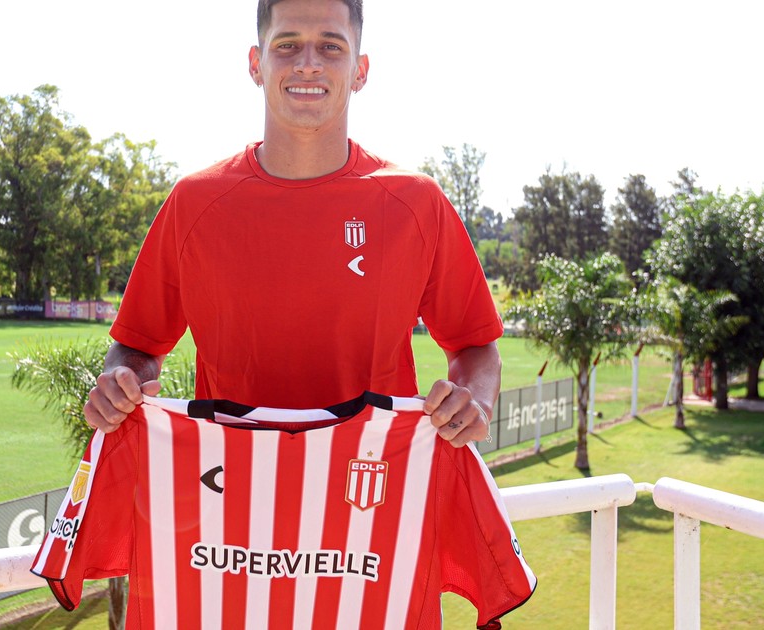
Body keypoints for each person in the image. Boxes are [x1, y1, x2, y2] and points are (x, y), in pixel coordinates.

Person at [84, 0, 504, 448]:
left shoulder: (416, 202)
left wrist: (475, 400)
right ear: (256, 64)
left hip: (372, 480)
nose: (308, 64)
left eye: (330, 46)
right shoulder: (194, 202)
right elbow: (138, 345)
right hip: (230, 480)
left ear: (360, 71)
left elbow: (474, 344)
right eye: (287, 45)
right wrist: (121, 381)